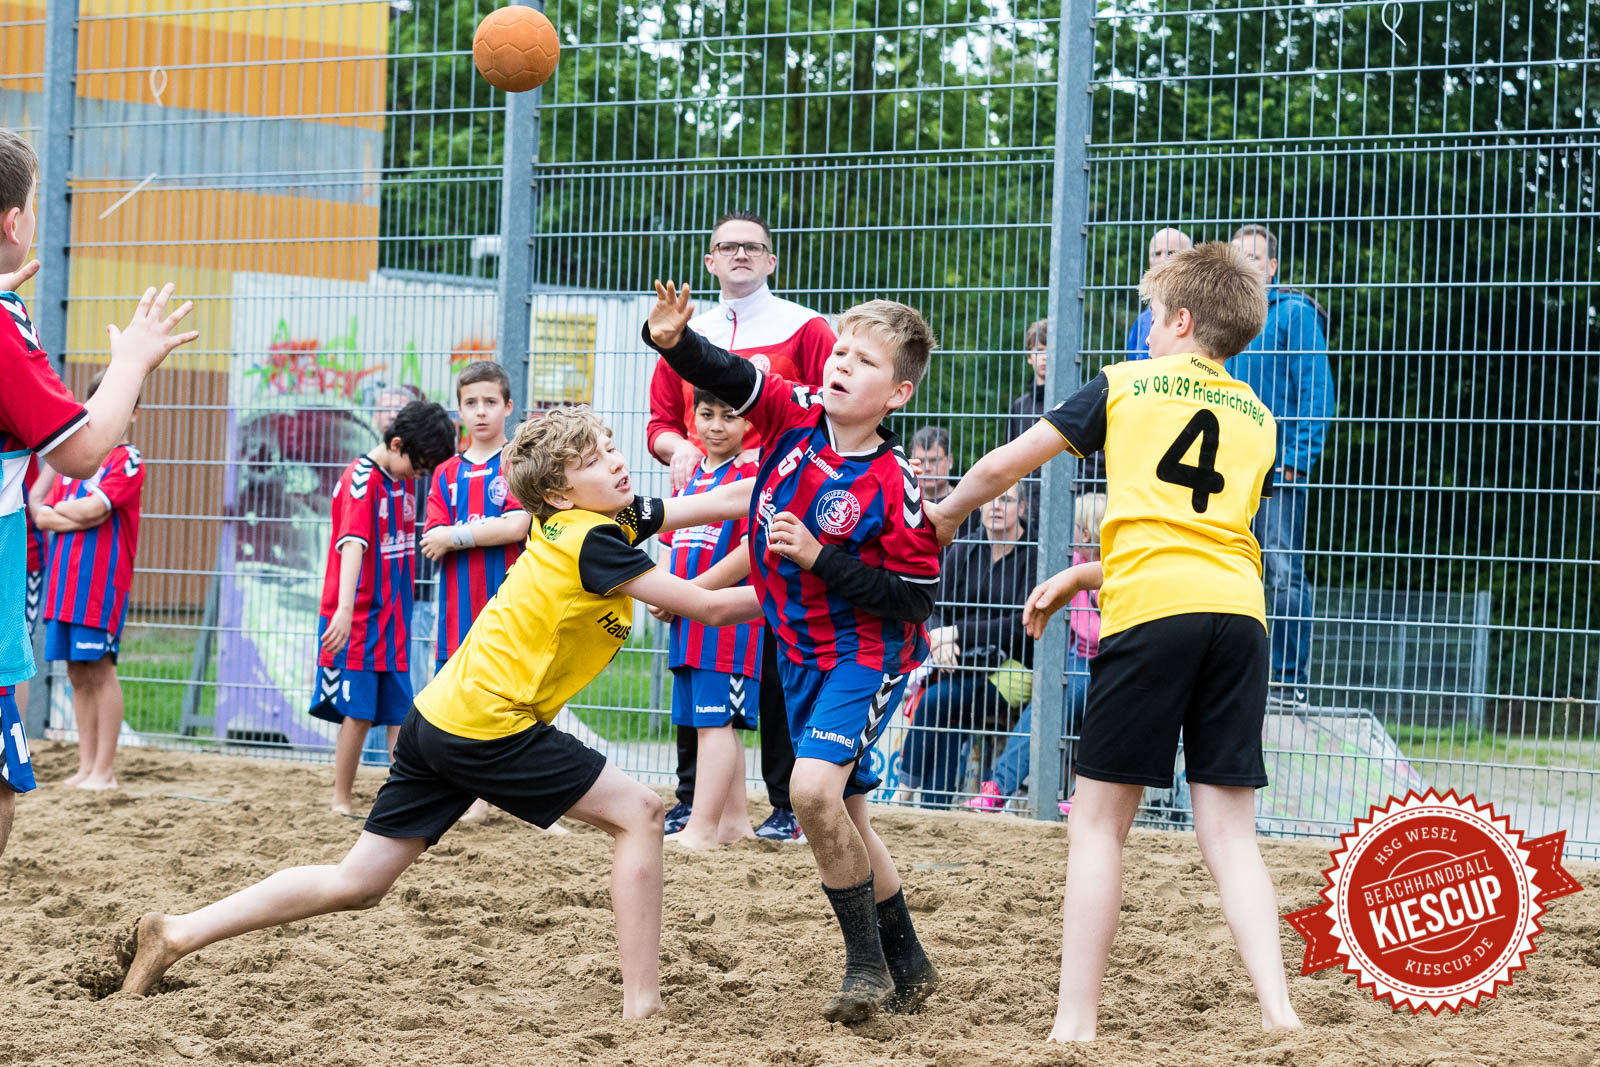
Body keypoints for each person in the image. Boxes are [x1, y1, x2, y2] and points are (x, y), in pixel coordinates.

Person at [119, 407, 766, 1018]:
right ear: (563, 494)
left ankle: (176, 931)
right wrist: (812, 577)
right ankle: (643, 1004)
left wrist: (798, 478)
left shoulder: (593, 518)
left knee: (358, 880)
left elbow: (722, 499)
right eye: (595, 460)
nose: (618, 463)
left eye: (612, 448)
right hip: (489, 726)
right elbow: (705, 607)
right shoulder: (593, 542)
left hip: (442, 716)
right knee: (642, 811)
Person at [927, 242, 1301, 1041]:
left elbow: (1003, 466)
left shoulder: (1126, 385)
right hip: (1240, 615)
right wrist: (1078, 576)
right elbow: (1200, 532)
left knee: (1098, 824)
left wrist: (944, 514)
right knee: (1231, 833)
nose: (1147, 333)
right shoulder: (1260, 420)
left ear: (1182, 320)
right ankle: (1280, 1011)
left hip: (1153, 611)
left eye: (1153, 320)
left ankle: (1075, 1023)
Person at [645, 280, 942, 1023]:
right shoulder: (794, 415)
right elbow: (733, 376)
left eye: (863, 360)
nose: (840, 364)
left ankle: (865, 966)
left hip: (866, 657)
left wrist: (816, 557)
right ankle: (910, 962)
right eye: (838, 350)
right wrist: (676, 342)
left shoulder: (894, 484)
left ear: (897, 393)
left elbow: (913, 599)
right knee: (850, 817)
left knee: (810, 793)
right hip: (797, 651)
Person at [1, 126, 199, 857]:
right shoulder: (3, 325)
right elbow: (84, 451)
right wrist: (132, 362)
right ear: (16, 223)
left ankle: (98, 766)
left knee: (91, 673)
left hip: (84, 579)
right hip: (13, 566)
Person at [648, 211, 832, 842]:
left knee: (778, 655)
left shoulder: (804, 327)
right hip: (710, 503)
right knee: (700, 672)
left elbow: (819, 415)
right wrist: (680, 450)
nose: (741, 255)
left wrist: (765, 460)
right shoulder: (682, 332)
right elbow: (661, 424)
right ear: (710, 260)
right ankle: (696, 801)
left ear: (772, 260)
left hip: (783, 506)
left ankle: (785, 801)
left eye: (753, 247)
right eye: (728, 245)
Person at [311, 400, 457, 815]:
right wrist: (342, 609)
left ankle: (404, 797)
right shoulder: (363, 480)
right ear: (397, 445)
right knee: (356, 713)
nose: (421, 476)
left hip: (393, 620)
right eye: (421, 467)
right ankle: (341, 798)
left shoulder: (398, 479)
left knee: (399, 711)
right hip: (358, 619)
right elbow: (353, 544)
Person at [419, 361, 532, 824]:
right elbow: (431, 538)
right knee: (460, 704)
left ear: (507, 406)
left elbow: (517, 524)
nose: (481, 412)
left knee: (514, 702)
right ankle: (473, 798)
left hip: (509, 612)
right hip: (456, 617)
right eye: (471, 403)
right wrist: (458, 534)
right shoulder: (446, 472)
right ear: (459, 410)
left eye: (490, 402)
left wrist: (458, 535)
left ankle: (523, 795)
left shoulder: (519, 463)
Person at [1230, 224, 1334, 710]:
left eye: (1255, 257)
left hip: (1277, 473)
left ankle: (1290, 685)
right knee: (1230, 575)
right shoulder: (1223, 322)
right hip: (1225, 475)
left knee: (1283, 574)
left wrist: (1295, 459)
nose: (1246, 264)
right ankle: (1233, 682)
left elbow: (1318, 394)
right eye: (1238, 256)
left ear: (1272, 267)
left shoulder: (1294, 316)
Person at [31, 371, 148, 790]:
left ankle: (105, 770)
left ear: (132, 413)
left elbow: (91, 510)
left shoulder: (126, 459)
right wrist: (75, 514)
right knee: (77, 675)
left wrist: (67, 515)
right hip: (63, 586)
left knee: (101, 670)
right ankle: (85, 767)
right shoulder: (74, 463)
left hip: (99, 588)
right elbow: (42, 512)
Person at [659, 388, 763, 848]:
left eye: (729, 415)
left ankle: (700, 828)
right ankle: (734, 823)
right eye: (707, 414)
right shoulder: (689, 480)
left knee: (715, 722)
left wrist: (690, 593)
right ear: (692, 419)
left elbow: (750, 551)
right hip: (688, 619)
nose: (716, 425)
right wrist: (664, 591)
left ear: (748, 425)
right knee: (710, 721)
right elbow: (668, 543)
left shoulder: (753, 477)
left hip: (727, 625)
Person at [899, 481, 1036, 808]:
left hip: (1012, 666)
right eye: (991, 499)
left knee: (938, 703)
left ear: (1023, 509)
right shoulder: (967, 545)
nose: (997, 506)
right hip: (960, 661)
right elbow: (934, 603)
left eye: (1008, 500)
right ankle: (935, 806)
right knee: (949, 708)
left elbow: (1019, 625)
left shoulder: (1033, 553)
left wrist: (956, 633)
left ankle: (908, 791)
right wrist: (937, 639)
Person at [968, 492, 1105, 814]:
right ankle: (998, 786)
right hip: (1077, 661)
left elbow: (1093, 631)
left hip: (1109, 661)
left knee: (1088, 693)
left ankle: (1086, 790)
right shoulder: (1071, 564)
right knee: (1053, 694)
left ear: (1085, 534)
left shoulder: (1112, 569)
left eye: (1073, 527)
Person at [1125, 228, 1193, 358]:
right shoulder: (1142, 322)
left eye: (1171, 252)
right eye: (1156, 253)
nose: (1163, 259)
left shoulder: (1206, 316)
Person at [908, 426, 982, 544]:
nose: (927, 468)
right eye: (920, 461)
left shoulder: (968, 500)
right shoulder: (903, 501)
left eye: (934, 460)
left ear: (950, 461)